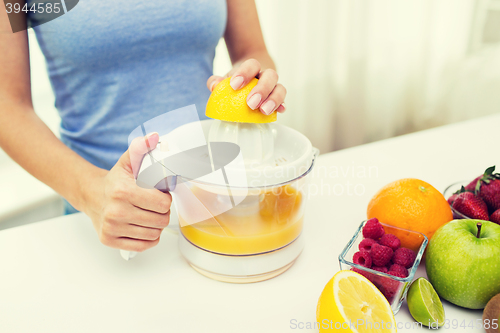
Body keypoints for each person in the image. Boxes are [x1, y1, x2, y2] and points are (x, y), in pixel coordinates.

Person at [0, 0, 286, 252]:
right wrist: (93, 192)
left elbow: (252, 50)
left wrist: (255, 83)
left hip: (216, 208)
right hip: (104, 223)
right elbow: (8, 104)